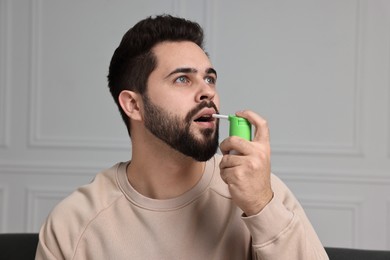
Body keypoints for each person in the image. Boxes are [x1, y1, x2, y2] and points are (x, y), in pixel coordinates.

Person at [35, 14, 329, 260]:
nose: (207, 92)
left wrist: (262, 207)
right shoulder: (73, 224)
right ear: (134, 105)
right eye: (182, 79)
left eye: (209, 78)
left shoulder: (261, 192)